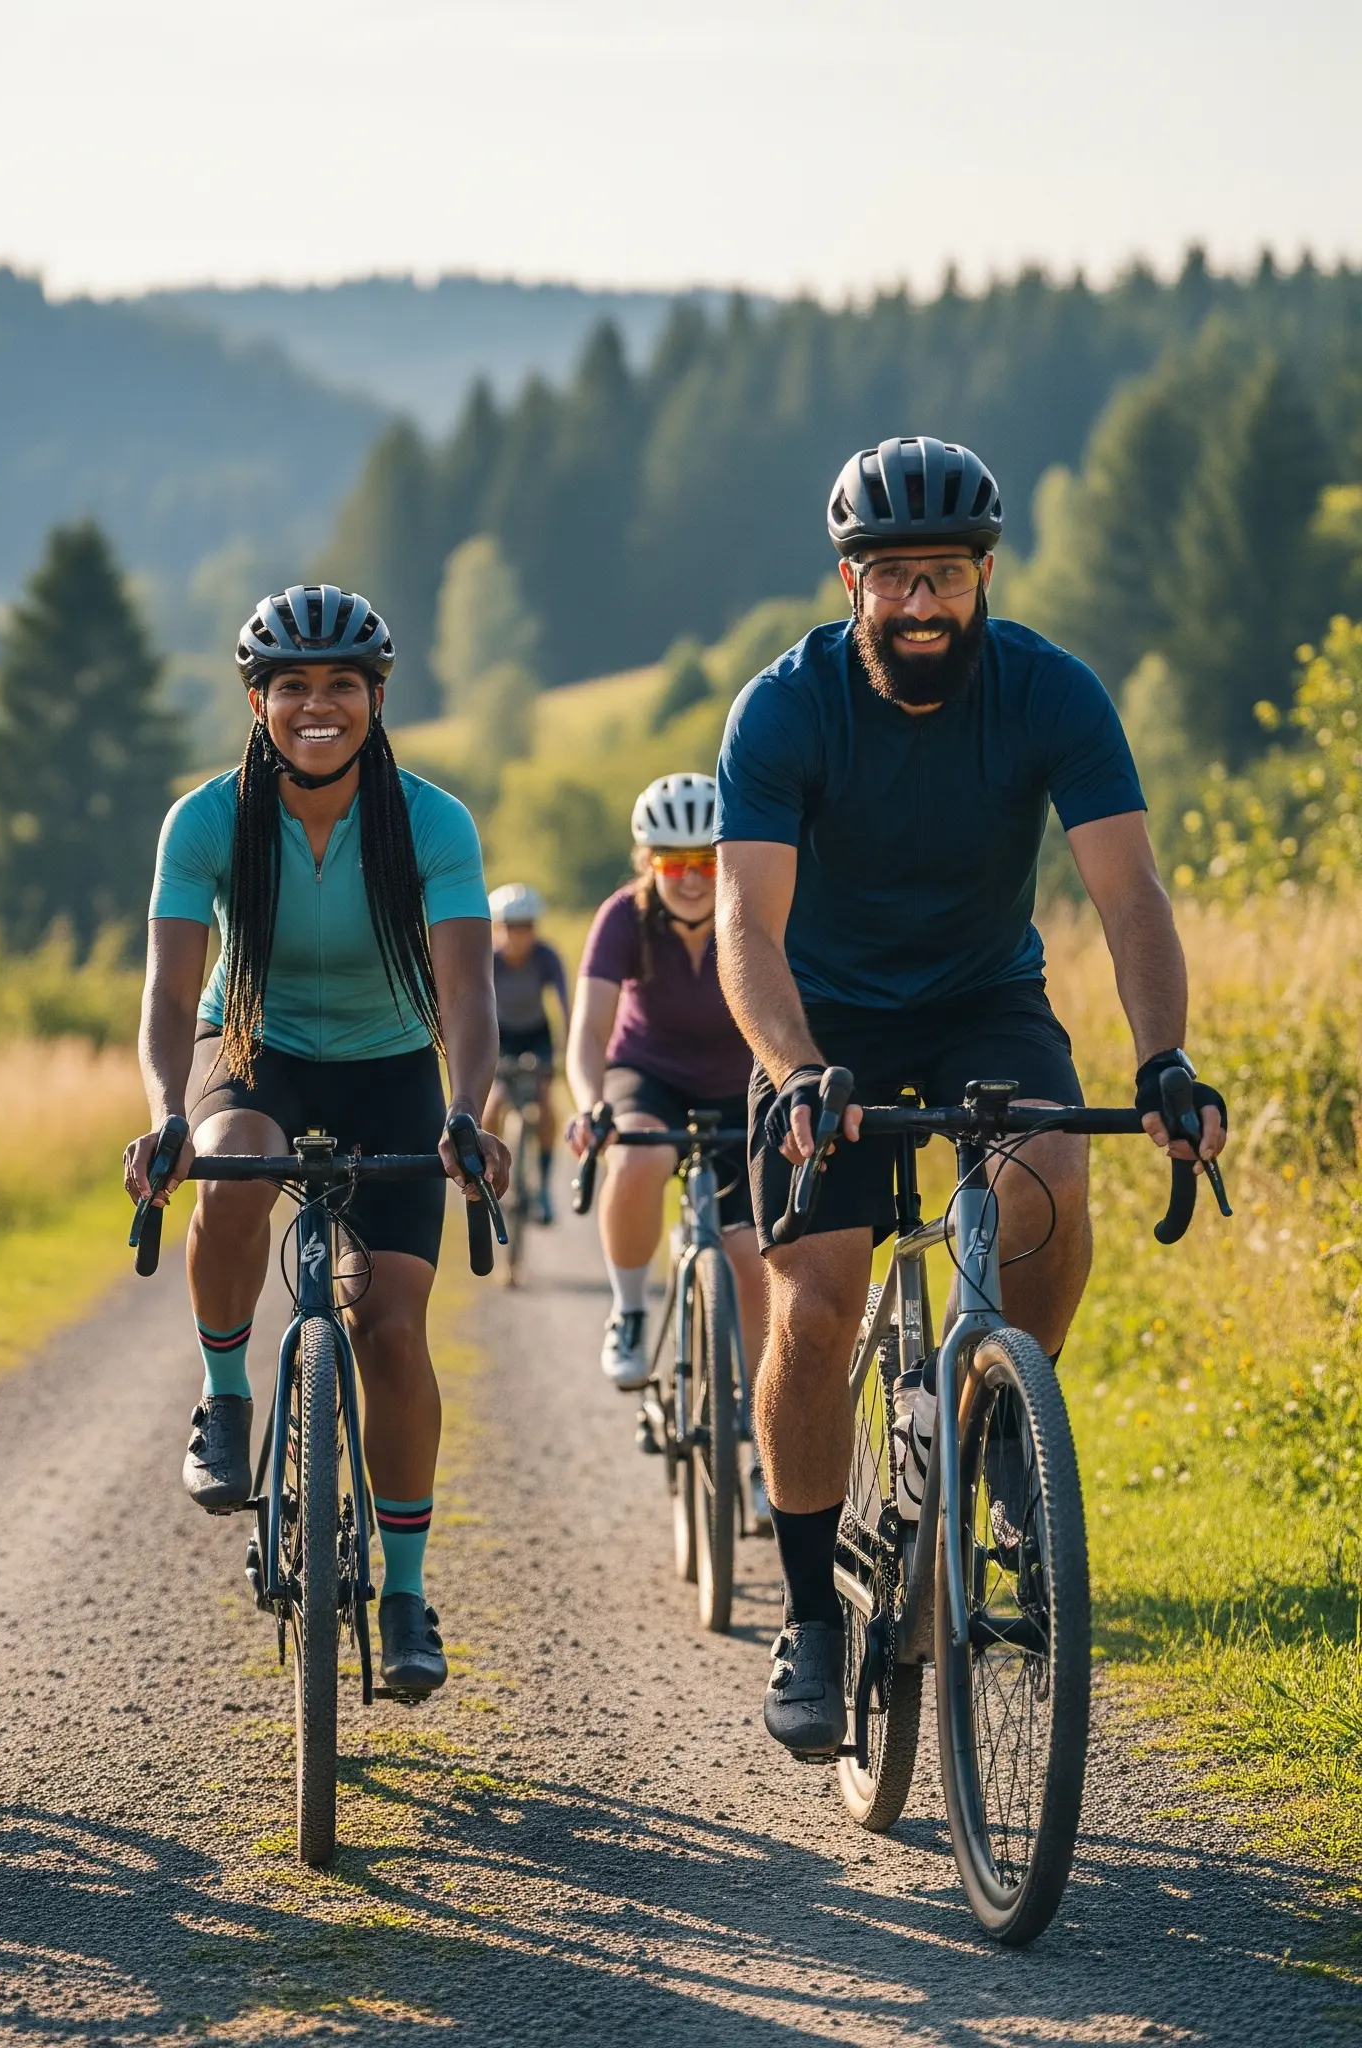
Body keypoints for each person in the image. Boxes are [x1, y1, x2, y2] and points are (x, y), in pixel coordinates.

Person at [715, 436, 1227, 1757]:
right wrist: (791, 1071)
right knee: (818, 1301)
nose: (923, 603)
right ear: (850, 582)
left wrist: (1161, 1058)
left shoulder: (1052, 693)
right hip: (818, 1024)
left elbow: (1130, 895)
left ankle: (1005, 1429)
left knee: (1054, 1178)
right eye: (895, 578)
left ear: (985, 572)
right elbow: (746, 926)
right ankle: (812, 1618)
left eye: (944, 573)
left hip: (982, 1004)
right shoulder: (783, 709)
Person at [123, 583, 509, 1697]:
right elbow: (168, 989)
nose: (317, 705)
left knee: (390, 1332)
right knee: (234, 1164)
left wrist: (468, 1106)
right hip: (254, 1041)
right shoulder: (204, 820)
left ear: (377, 696)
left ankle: (400, 1591)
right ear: (256, 698)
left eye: (342, 683)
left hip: (395, 1064)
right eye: (291, 685)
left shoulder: (431, 821)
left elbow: (468, 989)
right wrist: (162, 1107)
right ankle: (223, 1392)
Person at [564, 776, 764, 1474]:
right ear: (647, 861)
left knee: (752, 1258)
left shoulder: (756, 909)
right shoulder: (624, 918)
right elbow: (588, 1031)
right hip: (648, 1073)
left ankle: (773, 1427)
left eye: (706, 861)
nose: (690, 877)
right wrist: (591, 1102)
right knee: (638, 1158)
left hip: (744, 1087)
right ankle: (629, 1311)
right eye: (672, 862)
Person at [483, 881, 570, 1225]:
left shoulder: (546, 958)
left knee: (546, 1104)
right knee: (493, 1105)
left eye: (526, 927)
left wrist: (565, 1047)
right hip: (501, 1037)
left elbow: (565, 1004)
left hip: (537, 1036)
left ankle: (544, 1186)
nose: (518, 936)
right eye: (510, 927)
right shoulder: (489, 961)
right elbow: (474, 1004)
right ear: (498, 928)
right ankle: (486, 1177)